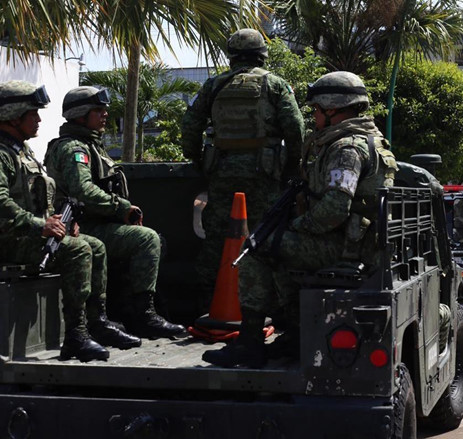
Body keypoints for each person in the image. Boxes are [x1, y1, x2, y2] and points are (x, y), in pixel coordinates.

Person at [202, 71, 398, 368]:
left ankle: (249, 343)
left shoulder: (346, 148)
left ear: (333, 109)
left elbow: (334, 209)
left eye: (317, 109)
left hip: (346, 248)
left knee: (256, 251)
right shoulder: (365, 140)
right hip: (358, 243)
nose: (314, 116)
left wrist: (296, 227)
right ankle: (296, 334)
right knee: (277, 250)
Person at [0, 80, 140, 362]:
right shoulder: (3, 154)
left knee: (95, 246)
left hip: (28, 234)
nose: (39, 120)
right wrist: (41, 225)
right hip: (10, 240)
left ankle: (96, 322)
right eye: (32, 114)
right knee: (78, 250)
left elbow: (39, 196)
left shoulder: (20, 151)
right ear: (13, 117)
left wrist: (61, 221)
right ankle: (75, 335)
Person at [44, 86, 185, 339]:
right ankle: (144, 316)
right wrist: (121, 207)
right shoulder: (74, 148)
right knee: (147, 239)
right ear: (80, 115)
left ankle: (130, 311)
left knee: (155, 240)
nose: (105, 115)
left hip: (96, 223)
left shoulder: (90, 145)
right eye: (98, 110)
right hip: (82, 226)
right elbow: (83, 190)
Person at [180, 28, 305, 313]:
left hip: (222, 169)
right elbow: (295, 127)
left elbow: (191, 124)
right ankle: (269, 309)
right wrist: (291, 166)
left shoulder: (214, 85)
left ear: (232, 56)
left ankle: (206, 304)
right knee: (266, 235)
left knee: (216, 236)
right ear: (262, 55)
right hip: (264, 171)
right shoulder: (275, 83)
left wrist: (197, 160)